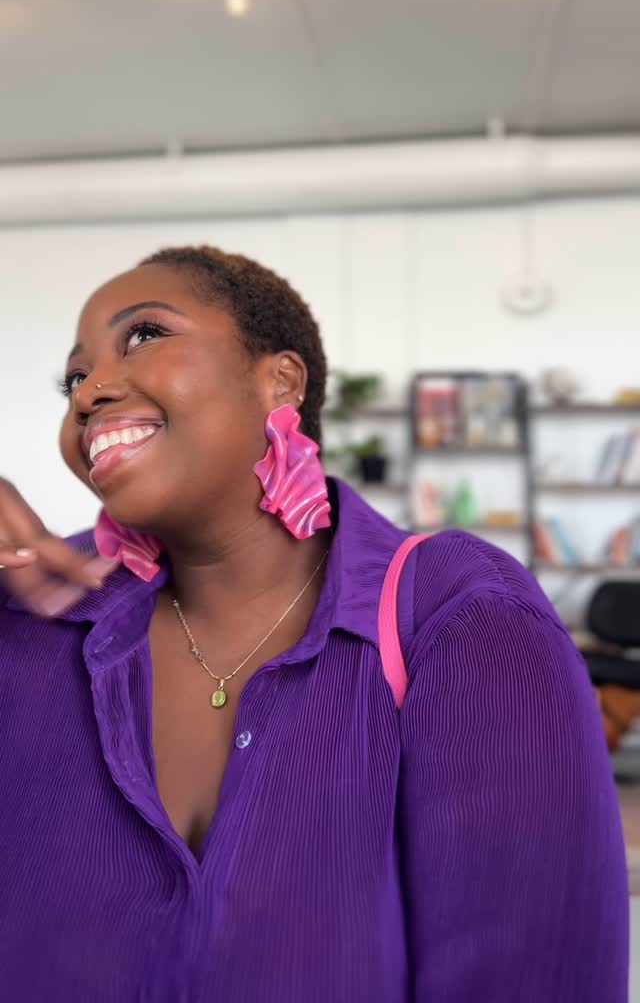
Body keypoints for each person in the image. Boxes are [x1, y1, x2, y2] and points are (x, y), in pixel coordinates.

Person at [0, 245, 628, 1002]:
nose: (89, 391)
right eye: (73, 377)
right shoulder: (28, 617)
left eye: (144, 336)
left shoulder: (461, 615)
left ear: (281, 381)